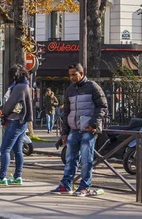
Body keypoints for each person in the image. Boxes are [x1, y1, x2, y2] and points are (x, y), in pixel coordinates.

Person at [51, 63, 107, 197]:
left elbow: (102, 106)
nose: (71, 77)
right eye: (70, 75)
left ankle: (85, 187)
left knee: (87, 159)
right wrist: (64, 132)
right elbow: (67, 112)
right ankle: (66, 185)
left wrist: (93, 124)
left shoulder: (92, 87)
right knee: (70, 158)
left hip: (88, 129)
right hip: (74, 129)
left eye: (74, 74)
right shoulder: (70, 90)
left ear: (81, 73)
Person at [0, 64, 33, 185]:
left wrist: (2, 111)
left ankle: (2, 177)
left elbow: (10, 103)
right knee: (18, 150)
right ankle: (17, 176)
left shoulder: (19, 87)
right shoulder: (26, 86)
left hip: (15, 120)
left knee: (5, 149)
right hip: (22, 121)